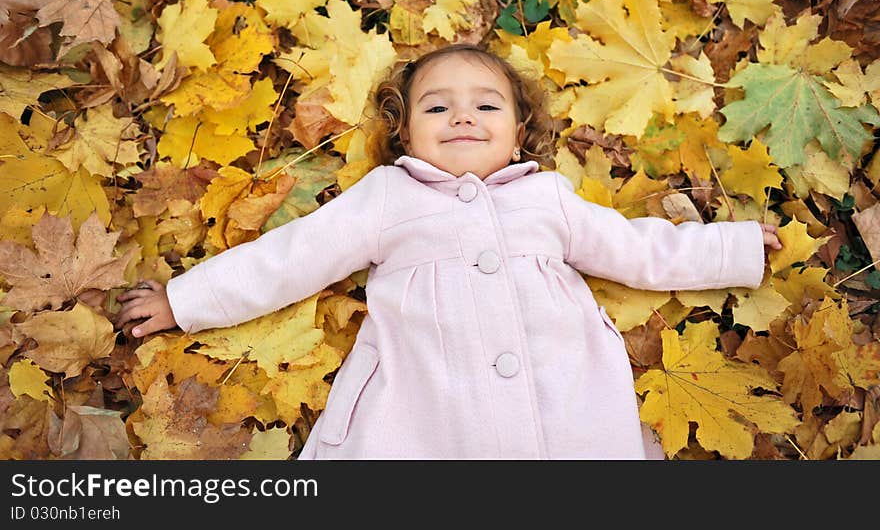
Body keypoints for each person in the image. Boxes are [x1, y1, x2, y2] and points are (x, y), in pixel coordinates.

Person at [116, 43, 783, 459]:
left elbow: (639, 250)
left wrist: (733, 249)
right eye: (437, 109)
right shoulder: (387, 198)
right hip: (423, 400)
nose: (463, 117)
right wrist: (185, 301)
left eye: (486, 106)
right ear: (404, 132)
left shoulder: (547, 199)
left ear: (520, 133)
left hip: (563, 399)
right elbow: (291, 256)